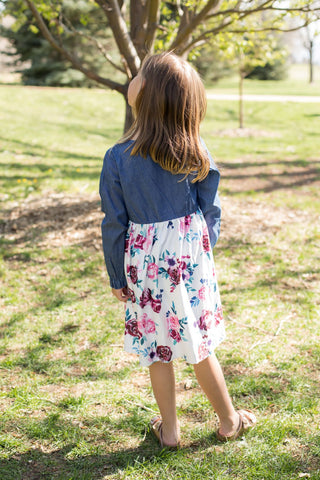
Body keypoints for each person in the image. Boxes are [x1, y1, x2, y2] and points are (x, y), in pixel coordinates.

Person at [99, 52, 256, 448]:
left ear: (146, 95)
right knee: (198, 342)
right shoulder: (193, 148)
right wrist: (202, 251)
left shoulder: (118, 157)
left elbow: (114, 222)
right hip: (189, 260)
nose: (132, 79)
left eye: (137, 76)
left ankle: (169, 431)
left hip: (145, 262)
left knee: (158, 347)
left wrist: (118, 276)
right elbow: (211, 209)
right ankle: (228, 421)